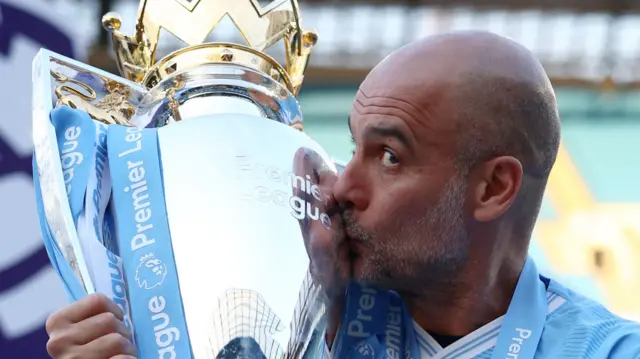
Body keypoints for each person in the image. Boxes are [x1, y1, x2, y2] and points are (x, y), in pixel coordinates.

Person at [43, 31, 640, 359]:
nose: (341, 186)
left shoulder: (606, 352)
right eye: (352, 146)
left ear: (493, 188)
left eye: (388, 156)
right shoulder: (291, 308)